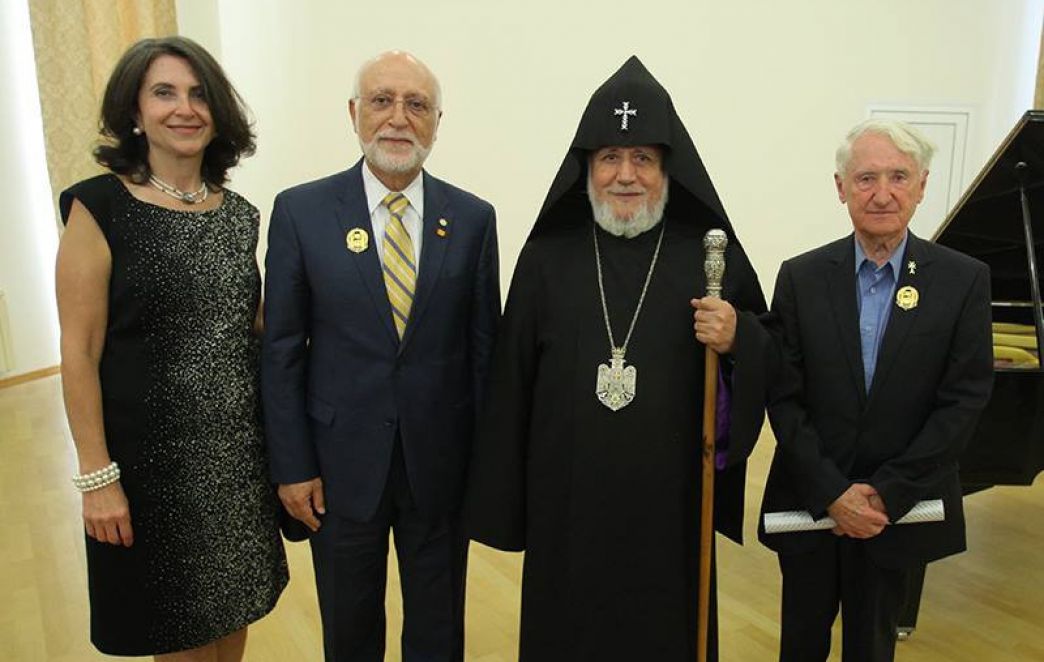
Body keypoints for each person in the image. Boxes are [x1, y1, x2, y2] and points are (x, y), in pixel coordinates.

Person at [464, 56, 772, 661]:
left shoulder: (706, 257)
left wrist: (738, 338)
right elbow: (510, 383)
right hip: (566, 500)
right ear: (587, 168)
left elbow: (769, 347)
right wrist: (506, 501)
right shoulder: (548, 257)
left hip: (670, 500)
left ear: (666, 169)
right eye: (609, 158)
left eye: (643, 160)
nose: (625, 175)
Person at [261, 50, 500, 661]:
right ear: (354, 113)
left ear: (437, 121)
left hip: (439, 468)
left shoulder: (472, 219)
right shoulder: (302, 212)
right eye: (382, 101)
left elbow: (482, 353)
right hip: (337, 469)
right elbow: (282, 351)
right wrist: (291, 466)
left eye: (416, 104)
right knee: (350, 627)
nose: (399, 118)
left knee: (439, 629)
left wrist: (483, 465)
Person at [55, 37, 287, 660]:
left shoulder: (240, 215)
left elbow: (255, 327)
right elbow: (78, 351)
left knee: (233, 614)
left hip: (238, 462)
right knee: (177, 633)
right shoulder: (98, 207)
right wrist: (97, 478)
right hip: (151, 472)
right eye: (164, 92)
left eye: (198, 94)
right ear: (134, 111)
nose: (184, 108)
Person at [758, 119, 994, 661]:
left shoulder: (963, 281)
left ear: (922, 185)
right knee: (799, 645)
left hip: (899, 511)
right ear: (840, 187)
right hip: (812, 503)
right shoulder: (801, 277)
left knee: (873, 647)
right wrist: (833, 494)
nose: (882, 193)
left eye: (898, 176)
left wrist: (886, 492)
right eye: (865, 178)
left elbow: (964, 399)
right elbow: (784, 396)